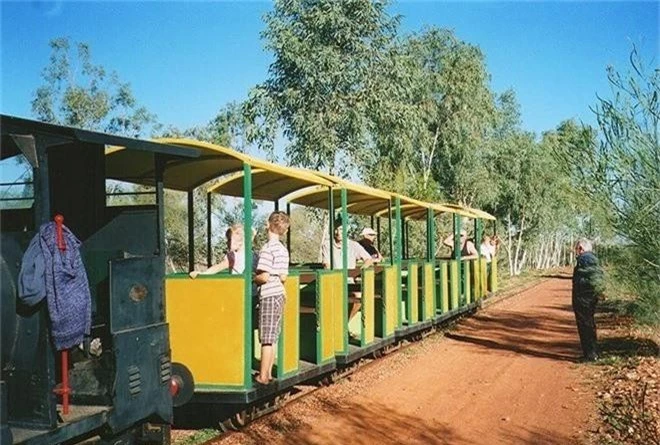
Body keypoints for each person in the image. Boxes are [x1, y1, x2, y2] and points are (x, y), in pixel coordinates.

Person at [253, 211, 290, 384]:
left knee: (266, 338)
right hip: (280, 293)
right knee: (273, 336)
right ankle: (267, 372)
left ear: (269, 225)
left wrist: (253, 277)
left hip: (269, 294)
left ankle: (263, 376)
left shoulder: (267, 249)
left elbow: (264, 277)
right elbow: (283, 277)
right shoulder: (283, 249)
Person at [321, 224, 374, 334]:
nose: (338, 232)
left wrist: (360, 272)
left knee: (359, 296)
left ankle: (344, 324)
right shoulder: (327, 245)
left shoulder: (353, 245)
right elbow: (326, 264)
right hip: (333, 281)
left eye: (340, 229)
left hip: (349, 282)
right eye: (336, 229)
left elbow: (368, 259)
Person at [572, 239, 604, 362]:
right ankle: (590, 353)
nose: (576, 251)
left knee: (585, 325)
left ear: (581, 248)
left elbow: (595, 277)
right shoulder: (591, 258)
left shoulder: (585, 259)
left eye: (577, 248)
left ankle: (590, 354)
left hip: (584, 298)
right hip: (588, 297)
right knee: (588, 324)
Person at [189, 225, 256, 278]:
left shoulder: (233, 256)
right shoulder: (252, 255)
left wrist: (204, 274)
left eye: (229, 240)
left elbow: (219, 266)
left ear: (240, 242)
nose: (227, 242)